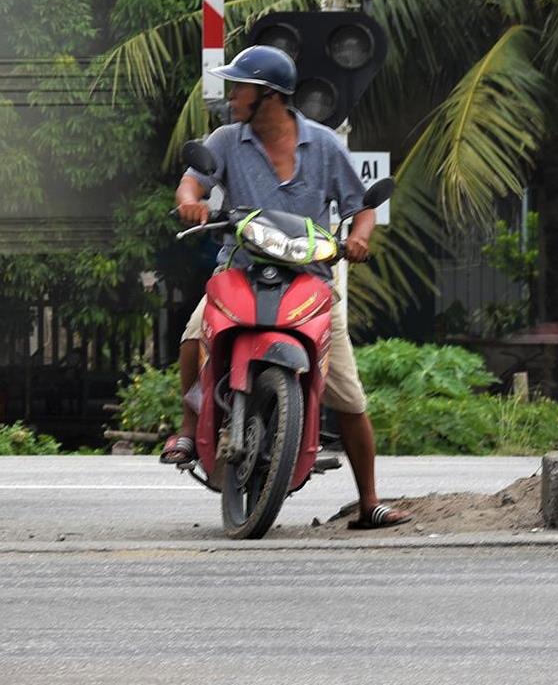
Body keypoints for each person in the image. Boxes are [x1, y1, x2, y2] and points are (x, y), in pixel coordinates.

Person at [161, 45, 410, 530]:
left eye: (241, 87)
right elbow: (191, 183)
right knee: (194, 335)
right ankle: (190, 428)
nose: (232, 96)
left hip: (311, 277)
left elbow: (362, 206)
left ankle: (369, 503)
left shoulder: (325, 146)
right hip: (240, 267)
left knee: (351, 398)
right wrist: (191, 202)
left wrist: (358, 239)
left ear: (269, 96)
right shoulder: (227, 140)